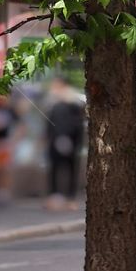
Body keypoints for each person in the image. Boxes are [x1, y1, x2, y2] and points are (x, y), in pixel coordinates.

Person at [44, 78, 85, 210]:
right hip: (60, 140)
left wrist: (64, 137)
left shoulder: (70, 103)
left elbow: (75, 124)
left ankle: (68, 197)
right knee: (58, 169)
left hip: (67, 140)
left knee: (68, 168)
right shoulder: (55, 103)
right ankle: (60, 197)